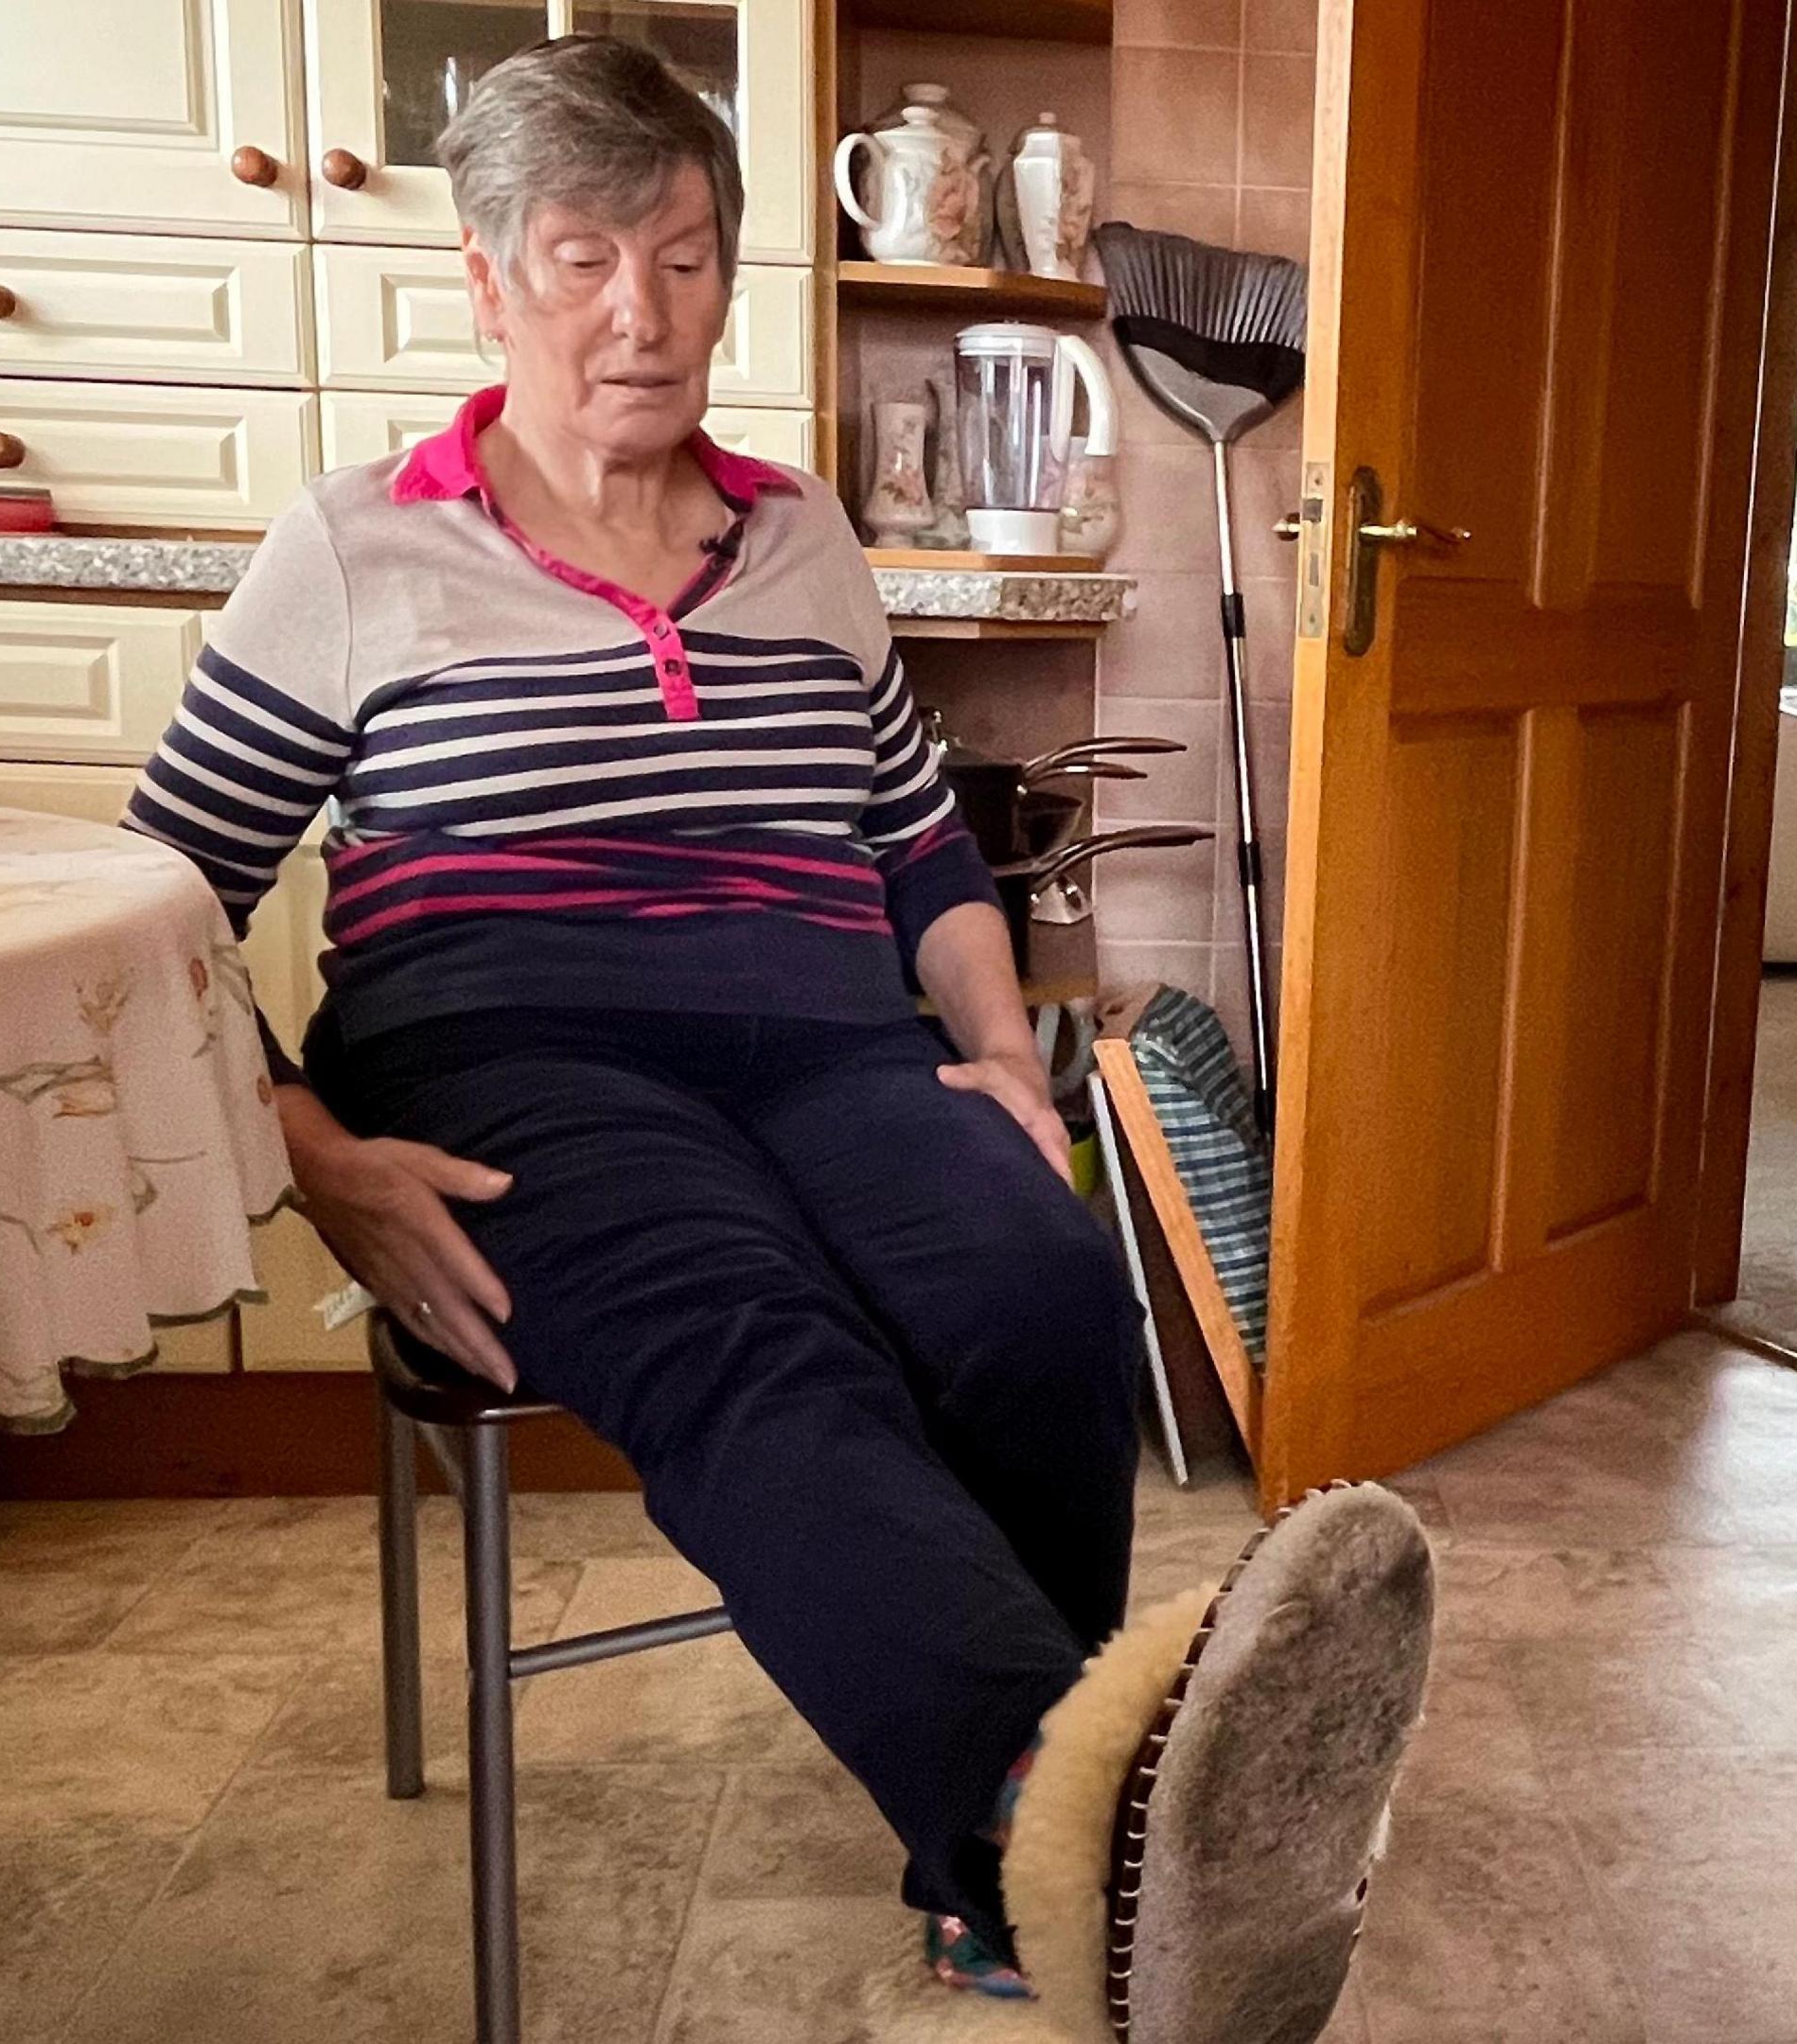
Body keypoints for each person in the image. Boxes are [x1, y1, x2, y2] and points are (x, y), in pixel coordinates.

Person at [119, 39, 1425, 2033]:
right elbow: (154, 915)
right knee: (761, 1346)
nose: (637, 317)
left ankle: (1009, 1887)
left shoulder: (801, 536)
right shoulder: (358, 547)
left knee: (1042, 1293)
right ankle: (1070, 1838)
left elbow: (913, 832)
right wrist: (321, 1159)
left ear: (734, 270)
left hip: (830, 1045)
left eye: (683, 257)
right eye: (577, 260)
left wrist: (993, 1046)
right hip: (504, 1061)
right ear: (486, 276)